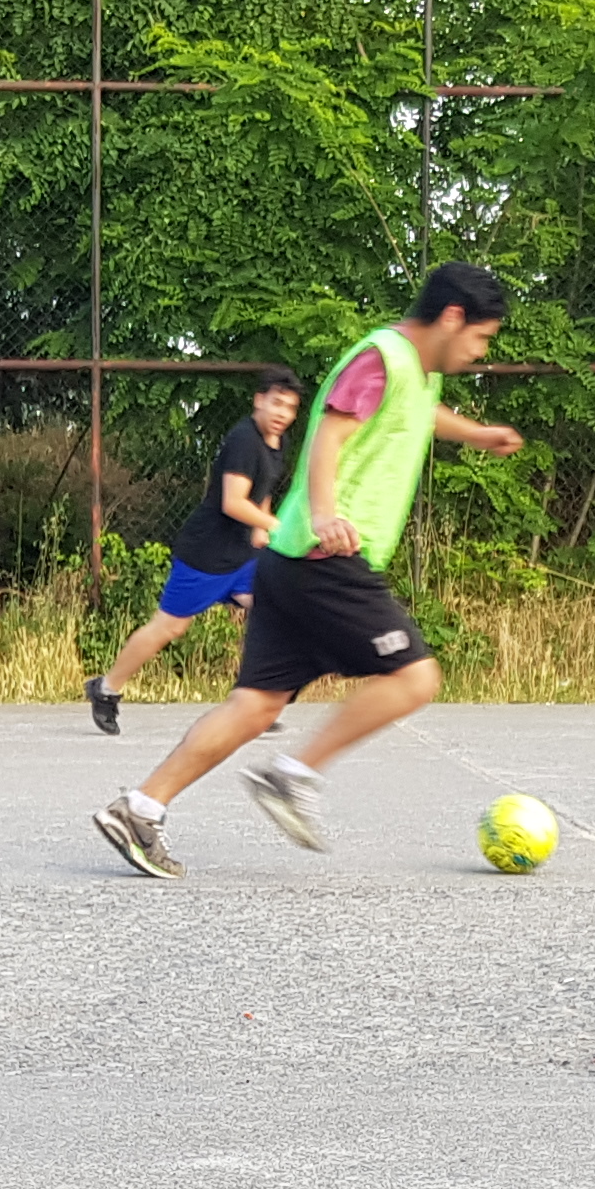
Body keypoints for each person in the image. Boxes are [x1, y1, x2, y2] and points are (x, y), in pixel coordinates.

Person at [91, 265, 522, 876]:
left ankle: (140, 808)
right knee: (416, 677)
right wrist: (325, 513)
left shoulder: (416, 374)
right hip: (329, 557)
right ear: (453, 317)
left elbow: (418, 414)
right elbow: (329, 436)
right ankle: (292, 776)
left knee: (255, 706)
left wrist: (478, 435)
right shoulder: (382, 358)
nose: (480, 353)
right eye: (481, 338)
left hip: (289, 560)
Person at [85, 370, 299, 736]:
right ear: (259, 400)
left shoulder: (276, 442)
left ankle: (253, 702)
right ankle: (105, 689)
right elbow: (233, 502)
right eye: (276, 403)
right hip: (207, 555)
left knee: (275, 609)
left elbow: (261, 490)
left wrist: (262, 528)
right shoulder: (244, 440)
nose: (282, 413)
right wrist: (279, 527)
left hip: (243, 554)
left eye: (290, 407)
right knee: (169, 627)